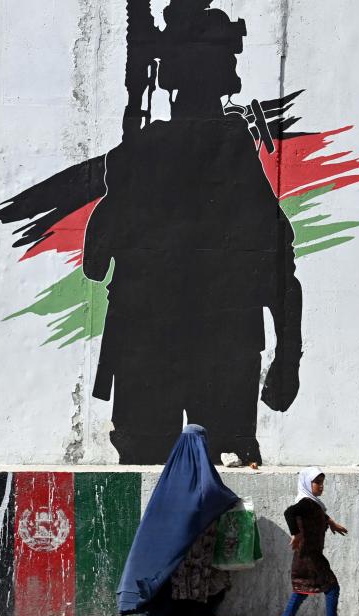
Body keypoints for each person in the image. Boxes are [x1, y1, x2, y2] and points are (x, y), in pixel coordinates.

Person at [82, 0, 302, 465]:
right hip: (211, 352)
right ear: (227, 79)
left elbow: (95, 265)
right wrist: (288, 357)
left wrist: (118, 184)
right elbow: (283, 270)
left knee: (151, 473)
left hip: (158, 350)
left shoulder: (141, 156)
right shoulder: (231, 155)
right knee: (224, 474)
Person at [116, 424, 240, 616]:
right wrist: (232, 500)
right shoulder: (202, 468)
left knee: (177, 578)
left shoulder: (172, 471)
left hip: (173, 541)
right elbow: (211, 493)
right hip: (197, 539)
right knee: (198, 578)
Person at [276, 468, 353, 616]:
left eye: (322, 483)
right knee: (332, 587)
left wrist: (332, 523)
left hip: (306, 556)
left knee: (301, 590)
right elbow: (289, 512)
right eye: (317, 482)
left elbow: (320, 515)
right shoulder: (305, 502)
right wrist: (295, 534)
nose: (321, 486)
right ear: (306, 483)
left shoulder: (312, 504)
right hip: (311, 557)